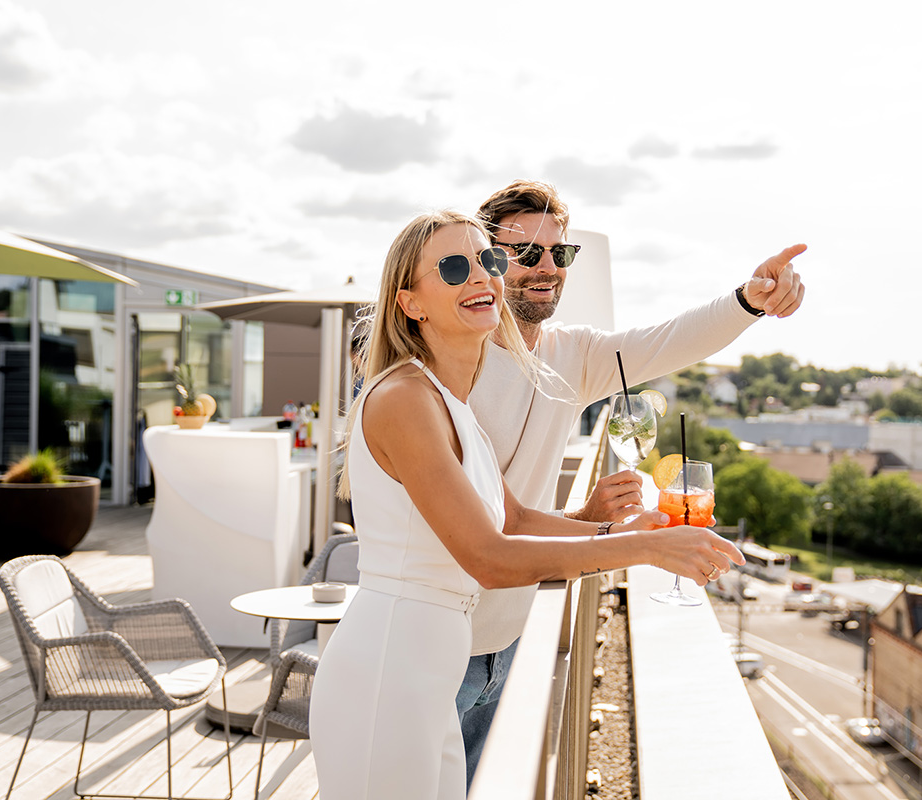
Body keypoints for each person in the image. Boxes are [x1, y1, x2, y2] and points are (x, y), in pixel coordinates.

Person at [307, 209, 744, 800]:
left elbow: (511, 518)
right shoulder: (405, 397)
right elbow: (488, 557)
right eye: (455, 267)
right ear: (411, 303)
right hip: (391, 670)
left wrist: (621, 531)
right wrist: (644, 549)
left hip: (427, 666)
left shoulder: (450, 398)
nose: (481, 278)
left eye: (487, 261)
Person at [457, 180, 807, 785]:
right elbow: (493, 519)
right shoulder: (455, 356)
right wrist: (629, 538)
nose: (546, 268)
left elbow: (672, 339)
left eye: (559, 253)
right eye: (525, 252)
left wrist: (749, 300)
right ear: (488, 257)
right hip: (441, 636)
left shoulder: (576, 355)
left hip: (512, 629)